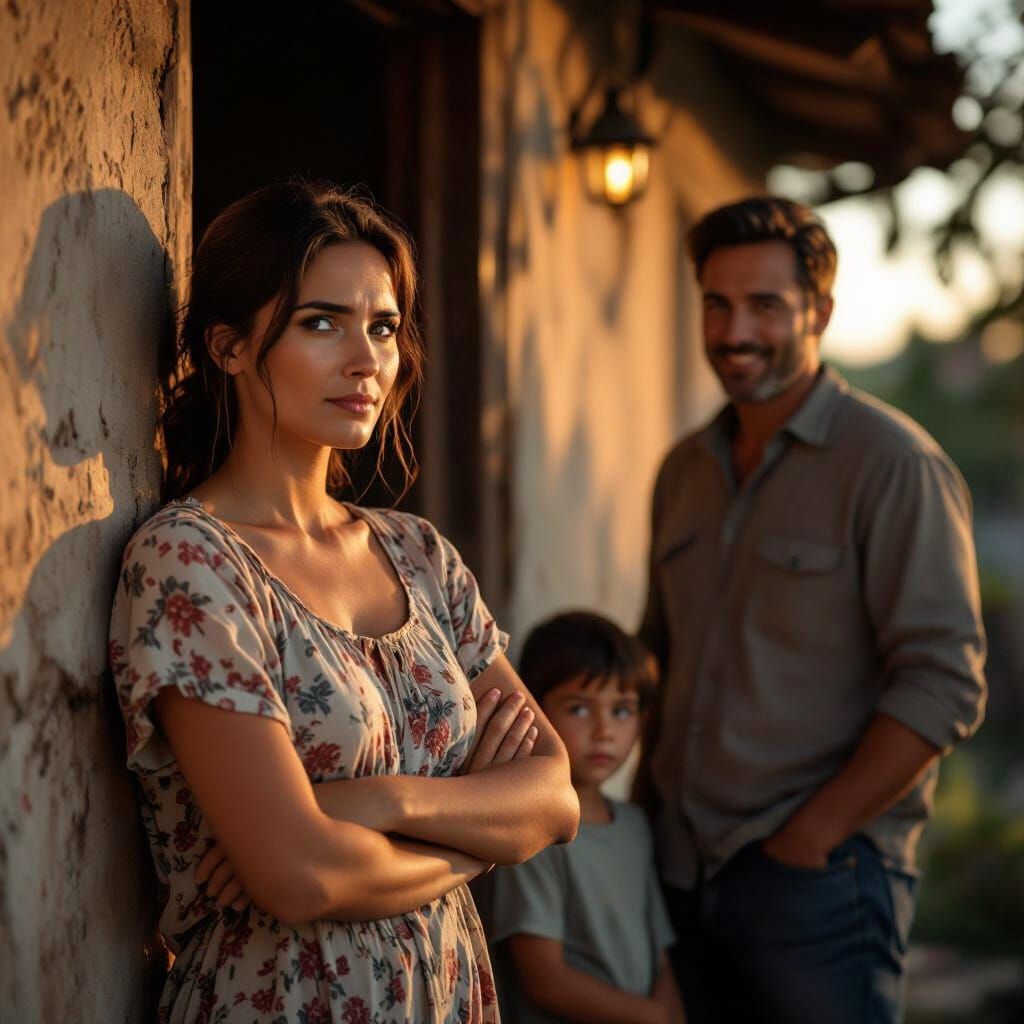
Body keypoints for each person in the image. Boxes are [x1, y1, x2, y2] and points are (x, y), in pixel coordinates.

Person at [108, 181, 579, 1024]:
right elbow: (300, 876)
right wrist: (479, 844)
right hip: (287, 996)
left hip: (444, 986)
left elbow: (553, 799)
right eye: (320, 322)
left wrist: (378, 802)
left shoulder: (419, 554)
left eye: (383, 327)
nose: (366, 359)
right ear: (229, 347)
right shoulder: (191, 562)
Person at [636, 196, 987, 1024]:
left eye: (765, 305)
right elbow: (659, 653)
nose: (733, 332)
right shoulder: (683, 469)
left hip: (818, 887)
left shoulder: (895, 466)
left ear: (820, 311)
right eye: (716, 305)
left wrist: (809, 841)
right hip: (677, 873)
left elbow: (944, 684)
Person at [486, 611, 685, 1024]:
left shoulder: (635, 826)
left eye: (622, 711)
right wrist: (650, 1018)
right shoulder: (532, 831)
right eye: (579, 709)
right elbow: (545, 980)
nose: (603, 730)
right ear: (536, 711)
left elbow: (660, 958)